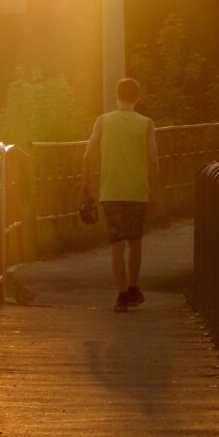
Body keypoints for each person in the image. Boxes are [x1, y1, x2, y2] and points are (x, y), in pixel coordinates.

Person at [82, 77, 160, 312]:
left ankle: (122, 294)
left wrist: (88, 187)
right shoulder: (146, 123)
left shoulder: (103, 122)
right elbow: (154, 161)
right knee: (135, 243)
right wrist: (154, 193)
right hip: (137, 191)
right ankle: (134, 287)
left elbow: (88, 156)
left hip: (110, 191)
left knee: (117, 246)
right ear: (137, 97)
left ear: (117, 96)